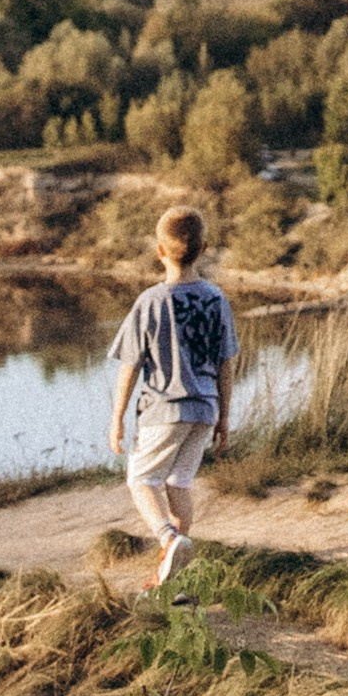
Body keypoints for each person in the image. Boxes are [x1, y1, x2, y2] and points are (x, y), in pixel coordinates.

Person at [107, 202, 238, 589]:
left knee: (142, 480)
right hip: (204, 408)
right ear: (205, 248)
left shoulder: (150, 302)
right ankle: (176, 578)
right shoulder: (216, 300)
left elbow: (130, 365)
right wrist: (224, 417)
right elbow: (226, 363)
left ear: (159, 251)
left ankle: (169, 539)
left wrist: (117, 417)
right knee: (179, 483)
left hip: (165, 408)